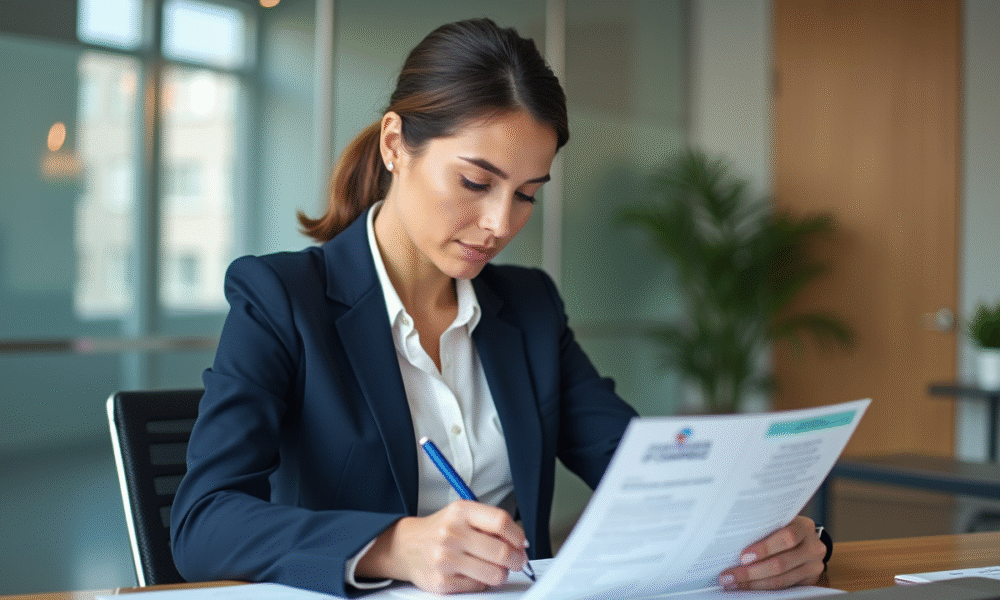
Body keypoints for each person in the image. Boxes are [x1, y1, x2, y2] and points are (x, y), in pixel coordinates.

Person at [169, 17, 830, 598]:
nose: (499, 223)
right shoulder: (282, 298)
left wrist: (772, 538)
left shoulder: (528, 307)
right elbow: (204, 521)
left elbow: (643, 472)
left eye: (526, 194)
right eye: (475, 182)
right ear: (396, 144)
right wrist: (396, 546)